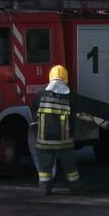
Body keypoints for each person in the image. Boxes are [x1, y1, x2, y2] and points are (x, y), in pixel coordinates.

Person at [31, 65, 80, 195]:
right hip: (64, 141)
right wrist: (72, 135)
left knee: (45, 168)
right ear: (65, 79)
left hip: (44, 140)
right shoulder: (71, 97)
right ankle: (74, 189)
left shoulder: (40, 94)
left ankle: (45, 189)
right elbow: (73, 119)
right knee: (70, 167)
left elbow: (34, 106)